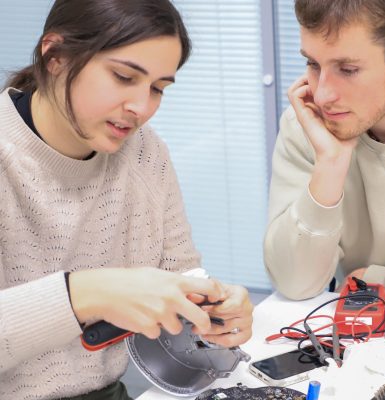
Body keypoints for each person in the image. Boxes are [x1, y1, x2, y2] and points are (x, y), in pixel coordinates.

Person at [0, 1, 253, 399]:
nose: (141, 108)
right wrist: (86, 293)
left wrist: (213, 309)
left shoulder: (144, 154)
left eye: (157, 89)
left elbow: (181, 280)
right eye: (123, 77)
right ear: (56, 56)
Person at [264, 0, 385, 313]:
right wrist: (331, 164)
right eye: (312, 64)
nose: (323, 95)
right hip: (354, 337)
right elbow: (294, 283)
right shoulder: (306, 125)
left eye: (348, 70)